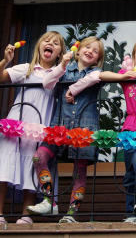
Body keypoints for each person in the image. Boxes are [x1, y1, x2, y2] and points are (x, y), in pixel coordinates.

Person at [80, 35, 136, 222]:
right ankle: (132, 212)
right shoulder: (128, 77)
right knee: (130, 171)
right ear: (133, 56)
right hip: (130, 129)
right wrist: (123, 75)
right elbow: (102, 75)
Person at [27, 36, 105, 223]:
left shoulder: (96, 72)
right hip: (59, 128)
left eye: (95, 51)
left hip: (84, 130)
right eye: (87, 47)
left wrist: (73, 89)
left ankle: (71, 214)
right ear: (77, 51)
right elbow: (47, 82)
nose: (90, 51)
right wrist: (62, 64)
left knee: (79, 172)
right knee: (39, 156)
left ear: (97, 59)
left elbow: (93, 77)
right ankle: (47, 200)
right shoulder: (64, 69)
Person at [0, 31, 68, 224]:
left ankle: (26, 215)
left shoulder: (60, 73)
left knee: (32, 166)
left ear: (60, 53)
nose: (50, 44)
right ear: (39, 46)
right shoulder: (26, 69)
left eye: (56, 43)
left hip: (39, 125)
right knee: (5, 165)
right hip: (16, 124)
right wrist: (5, 61)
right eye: (46, 40)